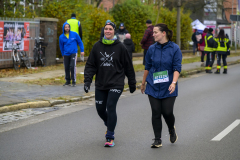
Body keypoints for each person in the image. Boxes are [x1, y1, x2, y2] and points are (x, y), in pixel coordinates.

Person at [84, 22, 136, 147]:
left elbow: (128, 66)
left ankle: (110, 136)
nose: (108, 31)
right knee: (100, 110)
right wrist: (87, 81)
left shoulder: (120, 47)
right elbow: (91, 65)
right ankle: (110, 123)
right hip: (101, 83)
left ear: (114, 31)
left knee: (110, 106)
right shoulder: (97, 46)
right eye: (106, 29)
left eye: (110, 29)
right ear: (104, 31)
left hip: (116, 82)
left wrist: (132, 82)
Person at [141, 23, 182, 148]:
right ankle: (157, 139)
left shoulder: (174, 48)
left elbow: (177, 68)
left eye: (155, 32)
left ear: (163, 33)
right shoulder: (152, 49)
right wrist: (143, 83)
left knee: (167, 112)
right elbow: (147, 67)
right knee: (156, 112)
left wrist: (174, 83)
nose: (153, 34)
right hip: (153, 85)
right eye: (153, 32)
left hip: (168, 85)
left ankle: (171, 128)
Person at [59, 22, 84, 87]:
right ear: (64, 28)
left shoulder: (74, 34)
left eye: (68, 27)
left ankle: (73, 81)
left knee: (72, 66)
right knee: (66, 67)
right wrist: (63, 54)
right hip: (66, 53)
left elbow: (80, 42)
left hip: (73, 53)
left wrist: (82, 50)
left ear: (69, 27)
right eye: (66, 27)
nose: (67, 28)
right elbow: (61, 46)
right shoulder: (61, 37)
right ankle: (67, 81)